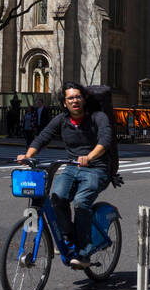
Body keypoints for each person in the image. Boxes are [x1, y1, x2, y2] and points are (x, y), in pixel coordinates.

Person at [16, 82, 113, 268]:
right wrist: (27, 156)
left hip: (96, 167)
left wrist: (90, 156)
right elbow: (43, 136)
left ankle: (84, 253)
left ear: (84, 99)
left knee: (81, 201)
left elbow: (105, 139)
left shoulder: (97, 117)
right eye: (70, 98)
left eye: (78, 97)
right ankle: (68, 237)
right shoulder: (62, 120)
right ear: (64, 103)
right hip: (71, 167)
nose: (74, 101)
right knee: (56, 197)